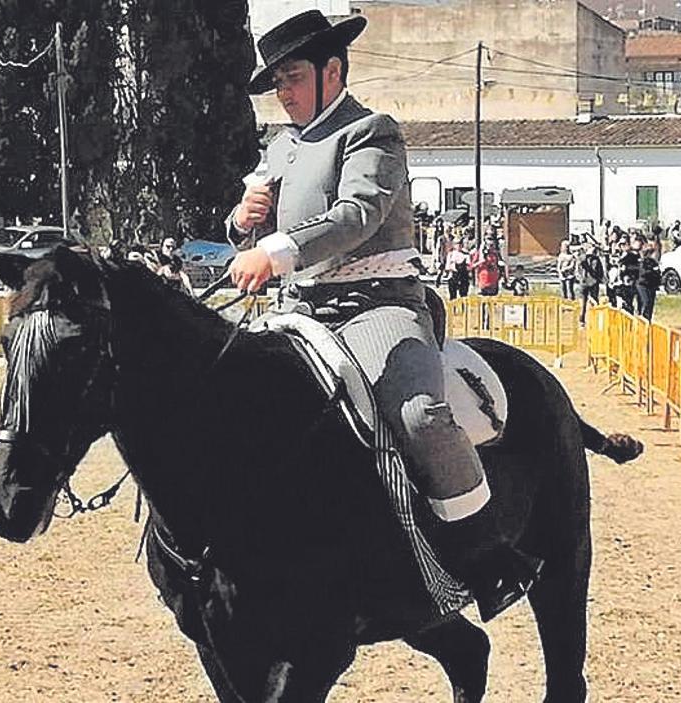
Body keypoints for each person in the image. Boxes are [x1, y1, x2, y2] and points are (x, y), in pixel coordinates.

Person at [224, 9, 531, 621]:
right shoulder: (280, 147)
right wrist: (241, 221)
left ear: (331, 70)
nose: (282, 93)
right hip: (296, 309)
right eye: (277, 81)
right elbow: (254, 236)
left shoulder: (372, 133)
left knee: (418, 414)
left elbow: (356, 215)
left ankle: (488, 555)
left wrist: (275, 250)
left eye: (292, 78)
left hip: (377, 306)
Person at [578, 245, 603, 326]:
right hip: (584, 283)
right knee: (583, 303)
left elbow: (599, 272)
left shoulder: (596, 260)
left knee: (594, 301)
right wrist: (580, 278)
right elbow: (578, 269)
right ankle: (582, 320)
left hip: (593, 283)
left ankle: (595, 319)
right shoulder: (582, 259)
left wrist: (597, 280)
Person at [637, 254, 661, 320]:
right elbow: (643, 273)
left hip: (652, 285)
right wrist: (652, 271)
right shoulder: (643, 262)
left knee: (650, 304)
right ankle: (643, 319)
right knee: (646, 302)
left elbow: (658, 274)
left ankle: (648, 320)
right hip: (642, 285)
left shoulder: (654, 262)